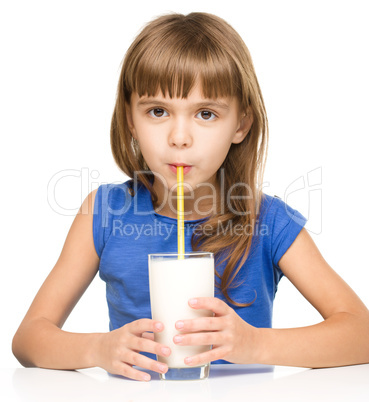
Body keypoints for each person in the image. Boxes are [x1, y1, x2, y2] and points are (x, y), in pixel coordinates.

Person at [12, 12, 369, 382]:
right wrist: (97, 349)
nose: (179, 137)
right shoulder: (104, 214)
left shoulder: (269, 222)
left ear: (241, 124)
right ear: (131, 119)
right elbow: (28, 340)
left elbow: (362, 334)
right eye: (157, 111)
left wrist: (255, 344)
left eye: (205, 113)